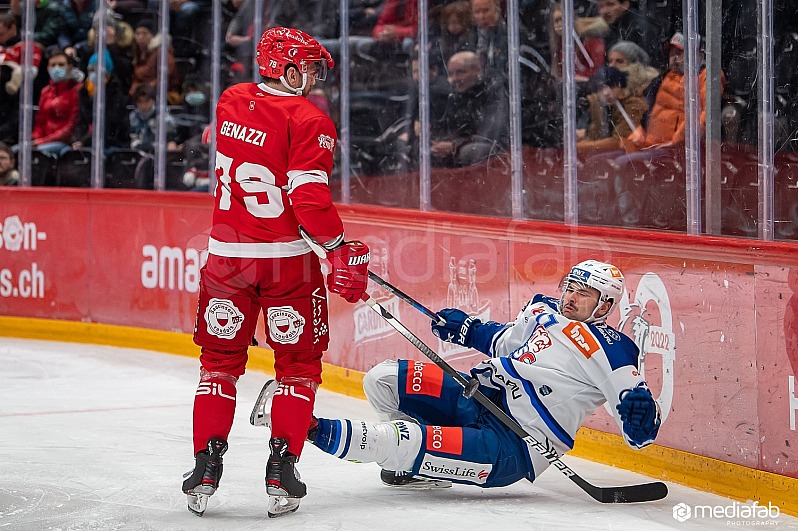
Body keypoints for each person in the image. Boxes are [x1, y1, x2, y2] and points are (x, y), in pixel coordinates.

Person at [252, 260, 661, 491]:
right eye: (570, 286)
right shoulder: (543, 310)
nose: (570, 297)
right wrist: (466, 328)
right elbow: (504, 342)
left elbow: (638, 431)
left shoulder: (614, 348)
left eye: (583, 293)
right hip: (476, 396)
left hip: (511, 444)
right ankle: (417, 466)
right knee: (381, 378)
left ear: (605, 305)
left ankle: (304, 428)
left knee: (403, 439)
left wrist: (642, 417)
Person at [181, 27, 371, 518]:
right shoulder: (311, 119)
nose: (312, 76)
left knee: (219, 365)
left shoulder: (230, 99)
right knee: (299, 368)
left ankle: (205, 465)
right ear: (287, 68)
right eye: (307, 67)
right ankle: (282, 468)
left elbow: (229, 139)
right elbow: (308, 199)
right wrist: (338, 248)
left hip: (226, 260)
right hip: (287, 264)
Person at [431, 50, 508, 167]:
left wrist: (454, 146)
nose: (454, 79)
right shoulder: (454, 96)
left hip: (493, 149)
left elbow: (489, 135)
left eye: (460, 72)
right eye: (450, 74)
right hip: (460, 145)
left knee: (471, 151)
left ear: (477, 70)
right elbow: (446, 126)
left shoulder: (492, 92)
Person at [576, 66, 647, 160]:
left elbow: (619, 142)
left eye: (612, 86)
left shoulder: (632, 105)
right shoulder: (599, 107)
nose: (606, 92)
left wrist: (577, 147)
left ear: (622, 86)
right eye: (601, 88)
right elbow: (594, 136)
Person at [72, 50, 131, 154]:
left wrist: (84, 142)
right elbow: (81, 122)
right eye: (92, 70)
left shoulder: (116, 94)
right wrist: (78, 140)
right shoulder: (84, 92)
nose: (95, 73)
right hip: (87, 141)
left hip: (111, 142)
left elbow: (109, 125)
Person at [27, 49, 83, 157]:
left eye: (61, 64)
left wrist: (42, 141)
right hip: (43, 141)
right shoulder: (45, 91)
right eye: (53, 65)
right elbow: (40, 122)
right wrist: (35, 138)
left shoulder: (77, 90)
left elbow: (71, 126)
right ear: (48, 68)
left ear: (70, 67)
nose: (56, 68)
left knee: (32, 154)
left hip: (64, 142)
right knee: (16, 151)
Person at [128, 83, 178, 153]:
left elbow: (170, 140)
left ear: (153, 100)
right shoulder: (133, 116)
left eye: (146, 101)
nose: (143, 105)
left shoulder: (164, 117)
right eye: (140, 102)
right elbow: (133, 136)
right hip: (138, 150)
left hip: (158, 151)